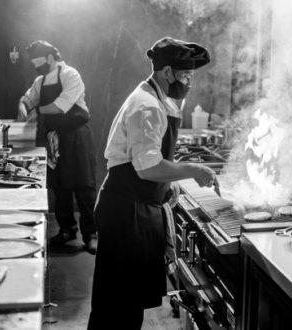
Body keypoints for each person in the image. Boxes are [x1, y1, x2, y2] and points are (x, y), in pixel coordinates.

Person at [88, 36, 219, 329]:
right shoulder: (146, 105)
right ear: (167, 72)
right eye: (186, 75)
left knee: (128, 303)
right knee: (117, 305)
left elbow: (143, 161)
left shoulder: (158, 99)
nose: (188, 83)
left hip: (137, 206)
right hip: (126, 212)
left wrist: (166, 184)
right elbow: (147, 168)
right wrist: (193, 170)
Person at [18, 40, 98, 254]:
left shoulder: (70, 75)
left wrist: (38, 111)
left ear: (51, 58)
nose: (36, 66)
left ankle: (91, 234)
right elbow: (28, 98)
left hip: (77, 136)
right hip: (55, 137)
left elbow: (60, 106)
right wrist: (23, 106)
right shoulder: (40, 80)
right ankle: (67, 230)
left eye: (39, 61)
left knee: (84, 187)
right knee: (60, 186)